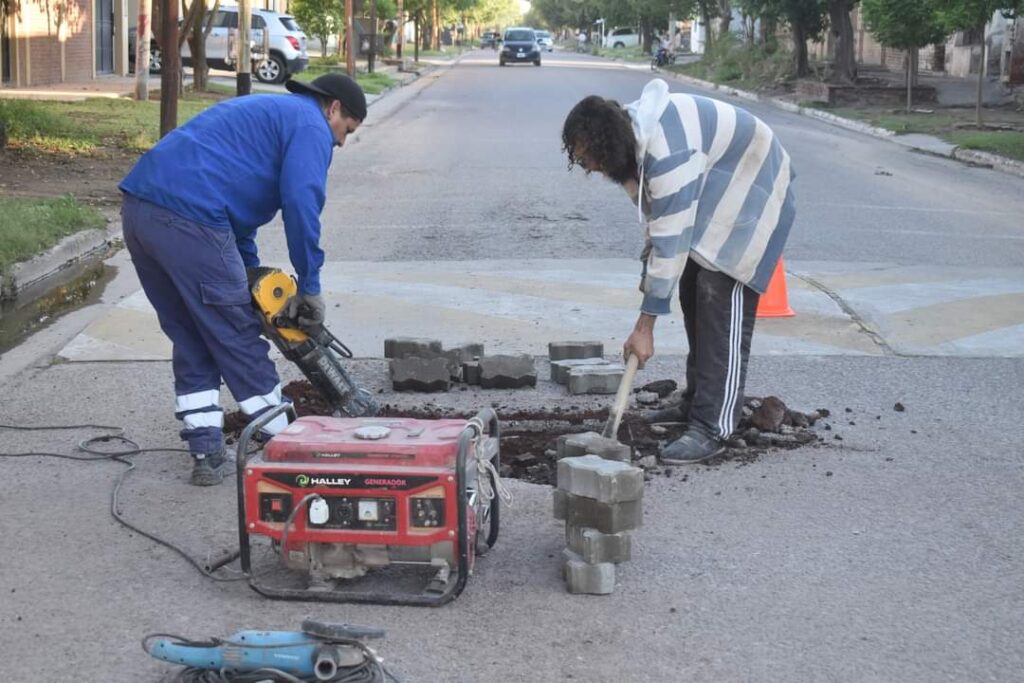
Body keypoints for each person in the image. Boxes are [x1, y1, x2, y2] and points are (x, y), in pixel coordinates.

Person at [118, 73, 366, 486]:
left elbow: (239, 227)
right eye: (347, 131)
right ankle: (289, 444)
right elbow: (302, 203)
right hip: (192, 219)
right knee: (234, 332)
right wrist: (310, 285)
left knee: (193, 333)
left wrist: (253, 284)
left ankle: (206, 451)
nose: (340, 142)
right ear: (333, 108)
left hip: (140, 212)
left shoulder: (268, 114)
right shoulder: (310, 124)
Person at [561, 79, 796, 464]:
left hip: (752, 191)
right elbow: (658, 228)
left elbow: (670, 241)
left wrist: (644, 327)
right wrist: (649, 286)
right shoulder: (631, 146)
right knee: (691, 286)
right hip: (717, 190)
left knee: (718, 295)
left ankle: (713, 426)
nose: (589, 168)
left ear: (606, 147)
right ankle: (696, 401)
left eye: (589, 160)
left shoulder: (668, 153)